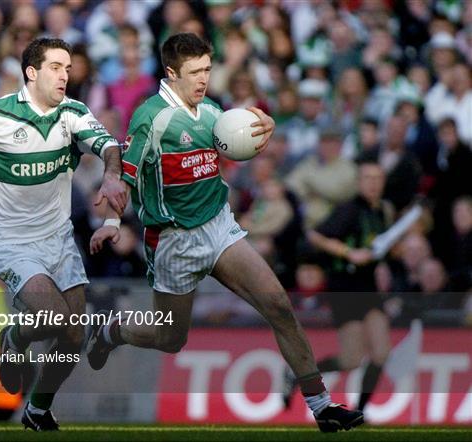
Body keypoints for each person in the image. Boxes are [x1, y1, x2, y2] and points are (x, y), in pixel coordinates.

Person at [88, 33, 363, 433]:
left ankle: (321, 406)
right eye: (195, 72)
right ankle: (111, 330)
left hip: (218, 229)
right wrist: (113, 222)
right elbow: (124, 177)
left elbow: (242, 135)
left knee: (279, 306)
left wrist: (261, 127)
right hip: (173, 241)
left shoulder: (213, 111)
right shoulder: (152, 117)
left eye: (208, 70)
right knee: (170, 338)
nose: (203, 79)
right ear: (171, 73)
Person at [0, 37, 126, 432]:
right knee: (52, 318)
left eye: (68, 68)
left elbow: (107, 146)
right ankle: (14, 341)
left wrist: (112, 173)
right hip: (12, 243)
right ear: (31, 72)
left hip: (59, 240)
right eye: (55, 67)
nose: (65, 75)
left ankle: (38, 409)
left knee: (74, 334)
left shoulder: (73, 113)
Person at [283, 161, 393, 414]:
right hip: (345, 286)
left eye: (378, 178)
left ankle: (361, 410)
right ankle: (300, 375)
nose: (373, 183)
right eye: (368, 177)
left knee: (381, 352)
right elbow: (316, 235)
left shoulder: (380, 212)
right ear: (358, 182)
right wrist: (348, 252)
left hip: (368, 287)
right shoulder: (349, 209)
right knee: (351, 360)